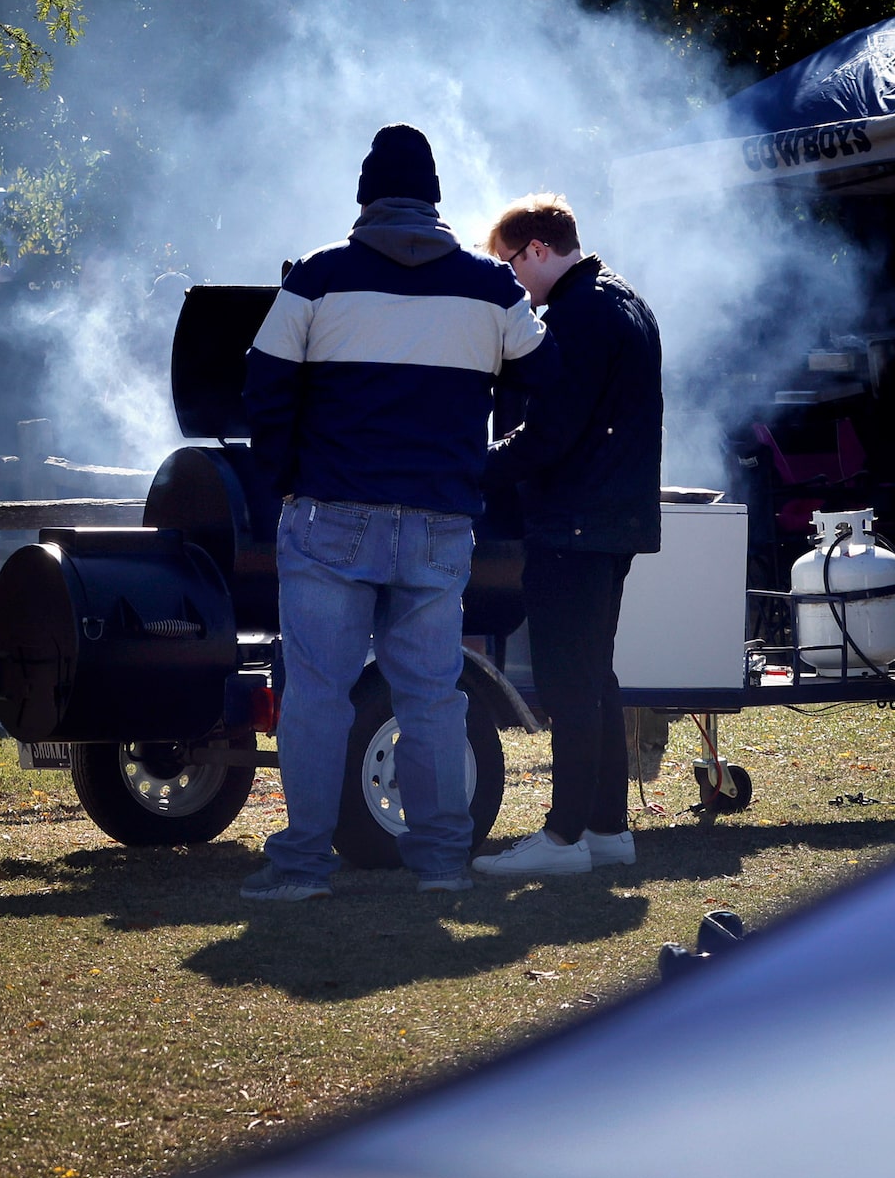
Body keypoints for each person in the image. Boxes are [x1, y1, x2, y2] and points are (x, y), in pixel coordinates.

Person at [238, 125, 545, 898]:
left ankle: (303, 867)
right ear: (435, 198)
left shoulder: (316, 276)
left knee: (316, 695)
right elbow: (552, 378)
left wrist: (278, 482)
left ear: (365, 198)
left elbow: (263, 386)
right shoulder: (493, 286)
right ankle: (442, 865)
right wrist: (486, 463)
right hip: (441, 520)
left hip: (332, 514)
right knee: (433, 698)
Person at [473, 193, 663, 881]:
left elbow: (551, 434)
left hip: (576, 524)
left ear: (538, 251)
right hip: (610, 520)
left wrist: (472, 468)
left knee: (566, 681)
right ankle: (608, 830)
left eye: (510, 265)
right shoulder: (626, 300)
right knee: (594, 676)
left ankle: (562, 839)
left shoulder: (579, 314)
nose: (512, 283)